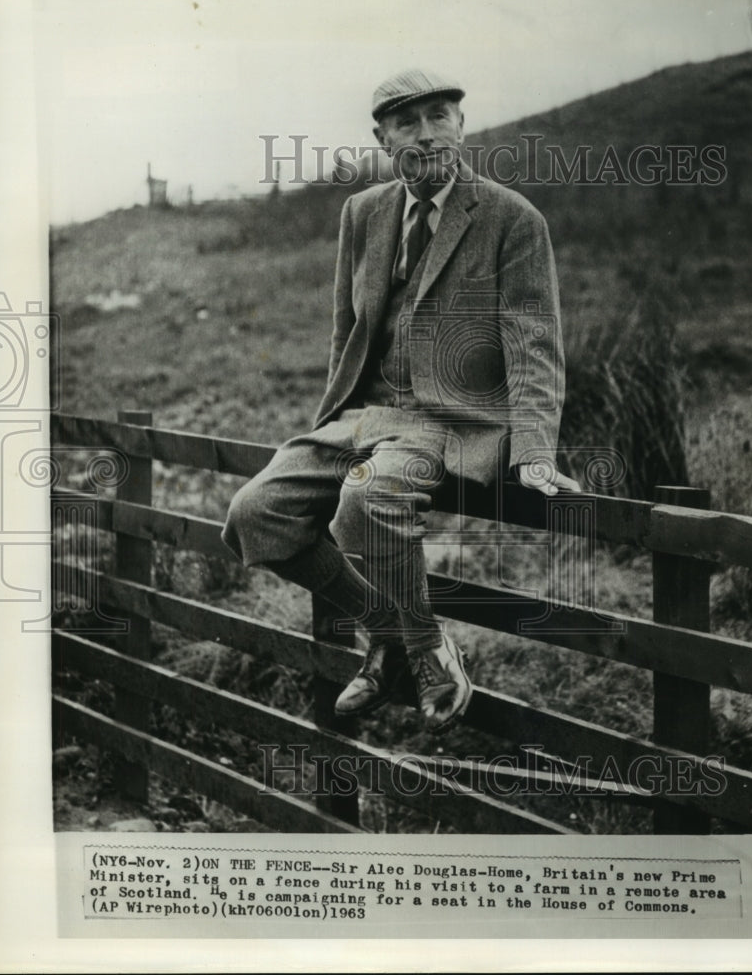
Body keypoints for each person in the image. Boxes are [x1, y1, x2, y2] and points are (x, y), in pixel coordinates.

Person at [222, 69, 579, 734]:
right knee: (255, 514)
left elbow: (533, 344)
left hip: (446, 419)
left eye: (440, 116)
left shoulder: (511, 219)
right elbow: (345, 327)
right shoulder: (361, 212)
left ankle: (426, 655)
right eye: (408, 123)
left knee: (367, 498)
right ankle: (388, 632)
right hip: (363, 414)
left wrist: (533, 450)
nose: (426, 134)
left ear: (461, 126)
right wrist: (328, 424)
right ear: (382, 137)